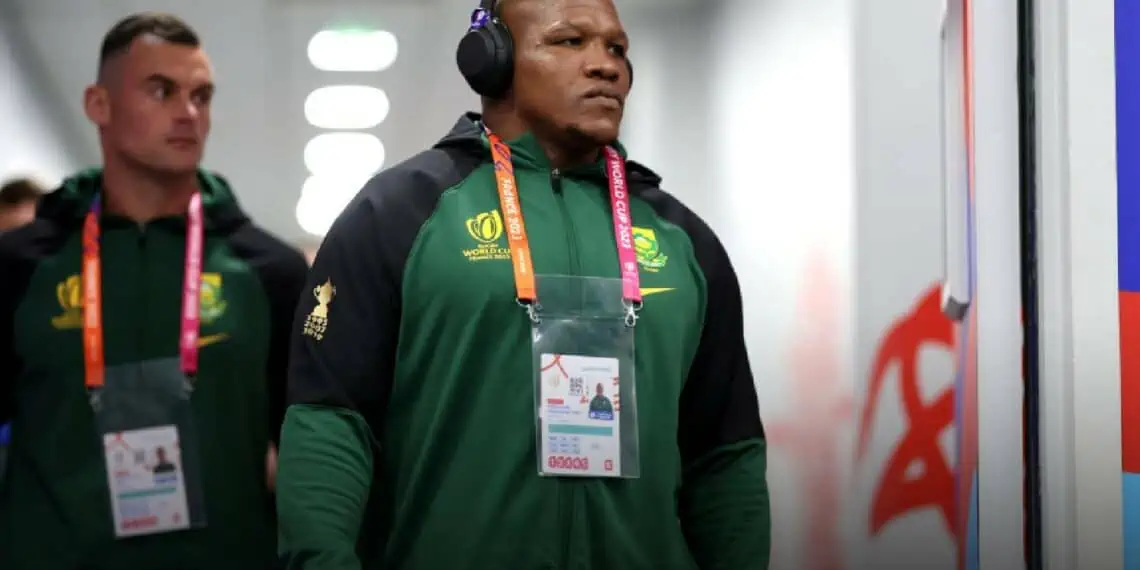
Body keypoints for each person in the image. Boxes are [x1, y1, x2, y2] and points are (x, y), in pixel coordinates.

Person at [277, 0, 770, 568]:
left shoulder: (683, 242)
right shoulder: (398, 215)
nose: (606, 65)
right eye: (570, 41)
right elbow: (331, 421)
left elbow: (724, 455)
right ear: (493, 60)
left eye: (616, 48)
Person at [0, 12, 307, 570]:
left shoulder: (268, 272)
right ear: (99, 104)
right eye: (161, 91)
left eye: (201, 96)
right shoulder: (21, 267)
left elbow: (309, 454)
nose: (188, 113)